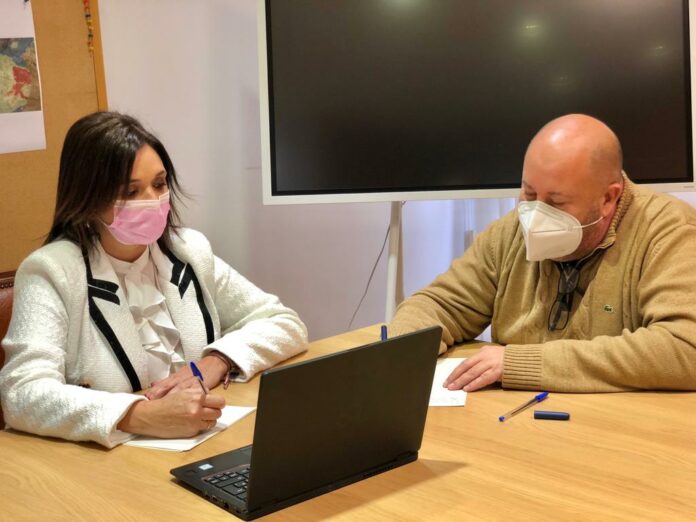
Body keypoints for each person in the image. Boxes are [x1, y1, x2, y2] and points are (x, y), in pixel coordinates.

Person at [0, 111, 308, 447]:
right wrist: (141, 415)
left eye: (159, 184)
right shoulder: (50, 271)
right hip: (107, 466)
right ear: (87, 199)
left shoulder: (188, 250)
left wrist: (214, 362)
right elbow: (22, 393)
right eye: (131, 191)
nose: (152, 201)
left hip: (205, 442)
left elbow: (284, 323)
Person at [389, 114, 696, 393]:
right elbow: (439, 303)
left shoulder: (668, 230)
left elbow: (685, 347)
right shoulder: (510, 232)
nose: (535, 216)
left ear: (608, 198)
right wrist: (403, 348)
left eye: (557, 202)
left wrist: (519, 364)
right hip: (517, 425)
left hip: (619, 434)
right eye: (529, 193)